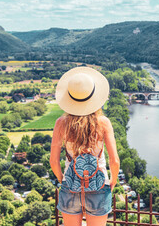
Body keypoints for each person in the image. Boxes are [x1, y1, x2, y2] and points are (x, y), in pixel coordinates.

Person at [50, 67, 120, 226]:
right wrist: (112, 182)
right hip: (99, 185)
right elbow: (114, 161)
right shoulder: (103, 123)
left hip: (71, 185)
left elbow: (54, 161)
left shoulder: (61, 124)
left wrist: (64, 180)